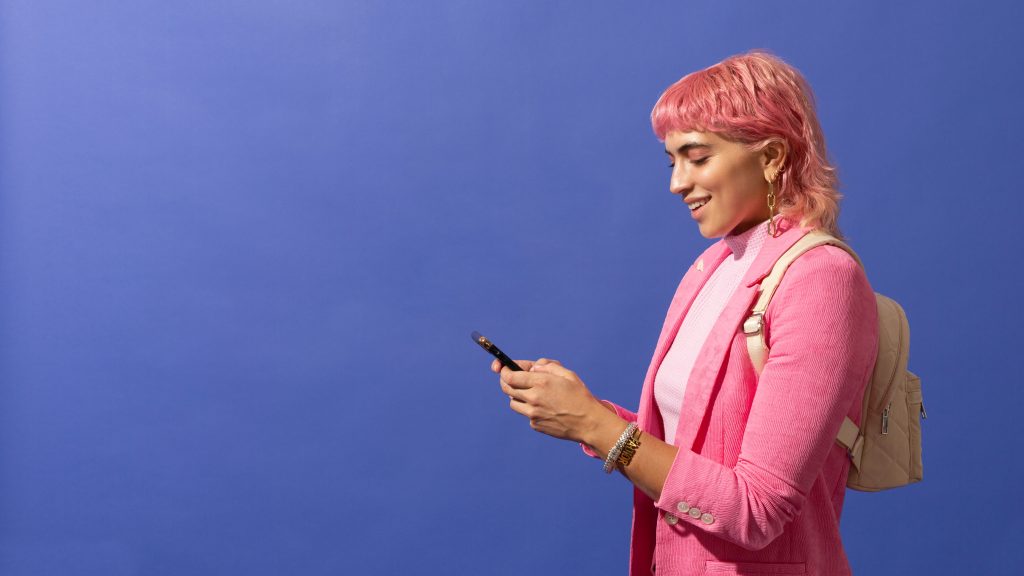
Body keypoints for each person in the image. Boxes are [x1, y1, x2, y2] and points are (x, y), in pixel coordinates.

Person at [490, 51, 879, 576]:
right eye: (671, 161)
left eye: (697, 158)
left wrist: (595, 426)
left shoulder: (820, 278)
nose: (676, 183)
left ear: (771, 157)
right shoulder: (715, 265)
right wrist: (581, 411)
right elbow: (694, 447)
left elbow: (756, 508)